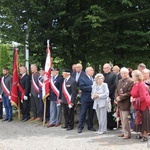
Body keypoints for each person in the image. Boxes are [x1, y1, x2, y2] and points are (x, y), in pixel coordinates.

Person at [130, 70, 150, 142]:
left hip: (144, 105)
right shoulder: (136, 84)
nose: (131, 76)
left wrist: (134, 99)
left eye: (132, 75)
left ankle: (145, 135)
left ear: (136, 77)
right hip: (138, 105)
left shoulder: (141, 85)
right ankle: (141, 134)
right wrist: (132, 97)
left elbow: (143, 97)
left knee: (144, 119)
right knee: (139, 119)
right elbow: (133, 92)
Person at [115, 67, 134, 139]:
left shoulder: (131, 81)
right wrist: (116, 97)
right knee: (122, 119)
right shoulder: (120, 81)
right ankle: (123, 132)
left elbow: (129, 92)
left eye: (125, 73)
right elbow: (116, 90)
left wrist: (120, 97)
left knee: (126, 119)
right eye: (122, 73)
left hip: (126, 102)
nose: (123, 74)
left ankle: (127, 134)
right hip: (120, 103)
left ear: (128, 73)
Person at [78, 67, 96, 133]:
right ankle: (80, 127)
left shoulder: (94, 78)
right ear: (87, 71)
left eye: (92, 70)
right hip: (85, 98)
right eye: (91, 70)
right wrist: (91, 87)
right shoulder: (82, 78)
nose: (93, 71)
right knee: (83, 113)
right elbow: (82, 87)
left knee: (91, 113)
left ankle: (90, 126)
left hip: (93, 98)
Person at [103, 63, 117, 130]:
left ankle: (112, 125)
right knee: (105, 110)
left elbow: (114, 84)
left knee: (110, 110)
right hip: (103, 96)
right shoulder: (102, 75)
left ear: (109, 68)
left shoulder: (113, 75)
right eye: (103, 68)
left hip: (110, 95)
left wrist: (108, 92)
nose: (104, 69)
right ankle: (106, 124)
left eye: (105, 68)